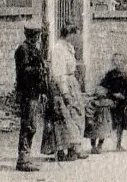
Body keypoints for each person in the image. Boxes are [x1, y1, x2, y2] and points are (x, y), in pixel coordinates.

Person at [46, 23, 90, 160]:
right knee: (63, 117)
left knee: (75, 115)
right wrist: (64, 92)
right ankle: (62, 151)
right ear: (69, 35)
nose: (78, 38)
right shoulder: (58, 48)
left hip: (72, 84)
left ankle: (73, 149)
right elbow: (59, 73)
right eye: (75, 35)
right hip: (62, 85)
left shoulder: (69, 47)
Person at [14, 26, 48, 172]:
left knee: (32, 126)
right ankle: (23, 160)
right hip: (27, 93)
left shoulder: (33, 49)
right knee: (28, 125)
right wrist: (39, 70)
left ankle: (26, 158)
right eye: (37, 35)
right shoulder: (23, 49)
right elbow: (24, 71)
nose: (39, 38)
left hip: (34, 92)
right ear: (32, 35)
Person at [90, 52, 127, 152]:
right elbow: (103, 88)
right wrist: (113, 94)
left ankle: (118, 144)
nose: (118, 63)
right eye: (116, 61)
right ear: (113, 62)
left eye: (120, 61)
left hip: (122, 102)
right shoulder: (110, 75)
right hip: (111, 100)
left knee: (122, 121)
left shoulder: (126, 75)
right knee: (102, 117)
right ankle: (98, 145)